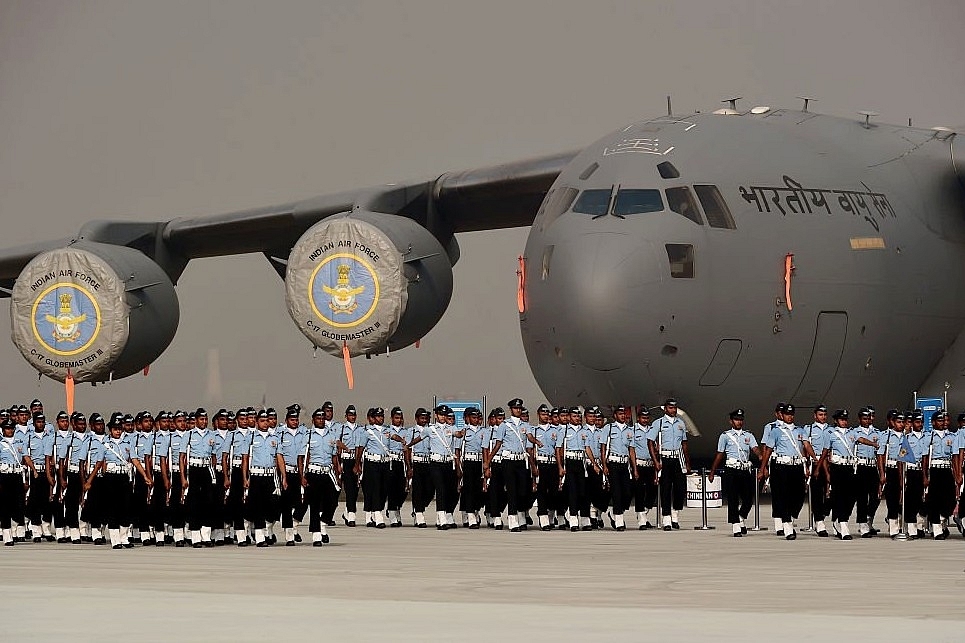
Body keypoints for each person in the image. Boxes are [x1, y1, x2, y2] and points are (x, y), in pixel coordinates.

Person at [91, 416, 151, 549]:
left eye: (119, 429)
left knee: (126, 507)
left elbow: (134, 460)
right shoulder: (106, 444)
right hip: (110, 478)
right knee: (112, 508)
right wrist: (90, 479)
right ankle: (115, 540)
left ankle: (124, 538)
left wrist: (145, 475)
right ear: (110, 430)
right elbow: (99, 463)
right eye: (115, 429)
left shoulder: (128, 442)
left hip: (124, 477)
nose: (117, 432)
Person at [760, 404, 809, 540]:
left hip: (796, 465)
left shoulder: (799, 430)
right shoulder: (773, 429)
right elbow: (767, 449)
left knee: (799, 495)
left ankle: (790, 516)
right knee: (782, 495)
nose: (789, 416)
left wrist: (811, 461)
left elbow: (805, 446)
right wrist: (763, 468)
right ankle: (786, 525)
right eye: (786, 414)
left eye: (791, 414)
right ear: (780, 414)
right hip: (779, 466)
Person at [708, 409, 760, 536]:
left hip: (744, 469)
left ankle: (741, 517)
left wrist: (760, 455)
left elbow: (755, 448)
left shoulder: (748, 435)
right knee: (733, 499)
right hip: (731, 469)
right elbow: (720, 454)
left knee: (748, 499)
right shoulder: (725, 436)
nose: (739, 422)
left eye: (741, 420)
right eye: (736, 420)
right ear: (731, 421)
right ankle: (736, 526)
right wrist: (712, 471)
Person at [243, 410, 287, 546]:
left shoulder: (274, 438)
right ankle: (260, 536)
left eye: (267, 420)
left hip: (271, 476)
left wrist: (284, 476)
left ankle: (267, 527)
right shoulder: (250, 438)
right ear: (256, 423)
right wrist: (245, 477)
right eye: (262, 421)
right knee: (258, 506)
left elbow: (279, 458)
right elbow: (245, 459)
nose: (265, 423)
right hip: (256, 476)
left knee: (274, 504)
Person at [300, 408, 342, 545]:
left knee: (333, 500)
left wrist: (337, 472)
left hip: (328, 472)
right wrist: (303, 476)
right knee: (315, 504)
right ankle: (316, 534)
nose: (321, 420)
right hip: (313, 472)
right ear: (313, 420)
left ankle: (323, 522)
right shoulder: (309, 435)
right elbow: (303, 457)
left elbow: (334, 456)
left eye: (323, 418)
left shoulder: (331, 435)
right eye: (318, 418)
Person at [489, 398, 530, 532]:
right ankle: (513, 519)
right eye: (515, 408)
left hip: (521, 461)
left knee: (523, 491)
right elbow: (498, 444)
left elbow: (529, 441)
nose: (518, 410)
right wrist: (488, 460)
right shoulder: (504, 425)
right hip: (508, 461)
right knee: (511, 490)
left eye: (519, 408)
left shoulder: (525, 425)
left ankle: (520, 513)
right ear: (511, 410)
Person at [649, 398, 690, 530]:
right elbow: (650, 441)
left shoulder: (681, 423)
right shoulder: (658, 423)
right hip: (664, 458)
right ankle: (666, 518)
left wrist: (687, 462)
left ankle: (675, 513)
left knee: (680, 488)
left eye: (674, 408)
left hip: (678, 458)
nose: (673, 410)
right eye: (670, 408)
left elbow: (684, 444)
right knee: (665, 489)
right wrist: (655, 461)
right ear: (665, 409)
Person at [180, 408, 217, 547]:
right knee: (194, 503)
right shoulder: (189, 435)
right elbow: (182, 457)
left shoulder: (211, 435)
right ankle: (195, 537)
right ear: (195, 420)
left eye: (206, 419)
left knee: (208, 502)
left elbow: (213, 456)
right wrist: (183, 477)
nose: (204, 421)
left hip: (207, 469)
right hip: (194, 469)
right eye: (201, 419)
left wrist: (212, 472)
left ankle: (206, 536)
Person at [556, 407, 598, 531]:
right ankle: (574, 518)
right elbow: (558, 449)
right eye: (574, 416)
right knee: (572, 491)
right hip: (569, 462)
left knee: (583, 492)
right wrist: (560, 467)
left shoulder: (583, 431)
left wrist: (594, 463)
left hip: (581, 462)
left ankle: (584, 518)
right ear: (569, 417)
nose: (577, 418)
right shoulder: (563, 431)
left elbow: (587, 448)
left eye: (578, 416)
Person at [355, 408, 395, 528]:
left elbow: (393, 437)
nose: (380, 418)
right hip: (372, 463)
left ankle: (376, 511)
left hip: (385, 463)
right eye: (378, 416)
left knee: (384, 489)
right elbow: (361, 449)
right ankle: (377, 516)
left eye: (382, 416)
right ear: (373, 418)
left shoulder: (387, 430)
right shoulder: (367, 432)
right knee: (375, 488)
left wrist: (402, 440)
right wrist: (357, 464)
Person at [821, 410, 857, 539]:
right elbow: (825, 452)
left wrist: (873, 444)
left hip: (849, 467)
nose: (844, 422)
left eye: (845, 419)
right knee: (840, 496)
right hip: (837, 468)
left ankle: (840, 519)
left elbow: (861, 439)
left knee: (851, 497)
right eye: (841, 419)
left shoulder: (852, 432)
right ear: (836, 420)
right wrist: (821, 469)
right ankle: (843, 524)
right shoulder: (830, 433)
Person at [601, 405, 634, 531]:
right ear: (615, 415)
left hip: (624, 464)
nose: (623, 416)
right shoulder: (608, 428)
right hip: (613, 463)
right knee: (616, 491)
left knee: (627, 492)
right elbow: (603, 447)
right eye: (620, 414)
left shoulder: (629, 430)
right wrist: (604, 465)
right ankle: (618, 519)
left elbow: (631, 450)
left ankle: (615, 511)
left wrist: (634, 468)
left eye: (624, 414)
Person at [24, 412, 55, 542]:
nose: (41, 424)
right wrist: (33, 470)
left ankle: (46, 530)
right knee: (35, 500)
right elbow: (26, 455)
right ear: (34, 423)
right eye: (38, 422)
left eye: (42, 422)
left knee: (48, 500)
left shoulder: (50, 436)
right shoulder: (29, 437)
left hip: (48, 470)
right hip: (35, 471)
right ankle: (36, 531)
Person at [528, 404, 560, 531]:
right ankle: (543, 517)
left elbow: (558, 450)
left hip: (552, 464)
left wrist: (560, 467)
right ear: (538, 415)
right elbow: (530, 451)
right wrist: (533, 467)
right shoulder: (534, 431)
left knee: (553, 492)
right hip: (540, 464)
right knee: (541, 491)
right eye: (543, 414)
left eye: (547, 414)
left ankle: (550, 514)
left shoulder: (555, 431)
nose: (545, 416)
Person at [925, 411, 956, 540]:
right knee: (934, 500)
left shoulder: (952, 436)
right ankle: (936, 529)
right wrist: (925, 476)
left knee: (950, 500)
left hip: (947, 469)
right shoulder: (929, 437)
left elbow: (955, 457)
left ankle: (942, 518)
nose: (943, 423)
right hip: (934, 470)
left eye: (944, 420)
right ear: (933, 422)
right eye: (939, 420)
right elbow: (925, 458)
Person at [278, 404, 306, 544]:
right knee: (286, 505)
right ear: (287, 420)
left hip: (300, 472)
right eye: (292, 419)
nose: (295, 422)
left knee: (303, 502)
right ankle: (289, 535)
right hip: (287, 472)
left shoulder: (304, 432)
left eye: (296, 419)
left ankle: (295, 525)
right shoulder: (280, 433)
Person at [853, 408, 882, 537]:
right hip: (861, 466)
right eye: (864, 419)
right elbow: (860, 440)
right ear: (859, 419)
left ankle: (869, 517)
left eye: (869, 418)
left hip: (873, 466)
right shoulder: (854, 431)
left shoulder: (877, 432)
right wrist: (873, 444)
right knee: (862, 497)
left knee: (876, 497)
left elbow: (881, 451)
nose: (867, 421)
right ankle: (862, 523)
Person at [878, 410, 907, 539]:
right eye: (898, 422)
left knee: (904, 498)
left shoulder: (907, 435)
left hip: (905, 469)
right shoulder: (887, 436)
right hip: (891, 469)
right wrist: (882, 474)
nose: (901, 425)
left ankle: (903, 525)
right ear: (893, 423)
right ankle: (893, 527)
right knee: (892, 499)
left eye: (903, 422)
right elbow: (880, 455)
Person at [804, 405, 831, 537]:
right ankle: (819, 522)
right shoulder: (808, 429)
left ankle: (824, 513)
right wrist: (808, 463)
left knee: (832, 493)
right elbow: (805, 446)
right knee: (816, 494)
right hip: (815, 463)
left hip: (830, 463)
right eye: (820, 414)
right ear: (815, 415)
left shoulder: (831, 429)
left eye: (825, 414)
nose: (823, 417)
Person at [0, 418, 28, 545]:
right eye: (7, 428)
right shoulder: (1, 443)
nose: (9, 430)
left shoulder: (19, 442)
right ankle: (7, 536)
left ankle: (14, 525)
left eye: (11, 428)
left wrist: (31, 473)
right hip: (5, 477)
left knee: (19, 506)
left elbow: (24, 459)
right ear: (3, 430)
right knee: (5, 506)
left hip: (17, 476)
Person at [630, 407, 658, 530]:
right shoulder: (633, 430)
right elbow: (631, 450)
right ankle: (641, 519)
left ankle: (644, 513)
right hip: (639, 464)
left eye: (647, 418)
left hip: (650, 464)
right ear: (639, 418)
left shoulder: (653, 430)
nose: (645, 420)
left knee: (653, 491)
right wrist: (634, 468)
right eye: (643, 418)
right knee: (639, 492)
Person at [460, 407, 486, 529]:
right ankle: (470, 515)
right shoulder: (464, 431)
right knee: (468, 489)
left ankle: (475, 510)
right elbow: (459, 449)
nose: (476, 420)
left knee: (478, 490)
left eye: (477, 417)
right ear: (467, 418)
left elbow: (486, 449)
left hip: (479, 462)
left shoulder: (483, 431)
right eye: (473, 417)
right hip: (468, 462)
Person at [385, 407, 412, 527]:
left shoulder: (405, 431)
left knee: (403, 489)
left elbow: (407, 450)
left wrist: (408, 466)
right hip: (391, 461)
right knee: (392, 488)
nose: (398, 420)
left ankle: (396, 508)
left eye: (400, 418)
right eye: (396, 417)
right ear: (391, 418)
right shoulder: (387, 431)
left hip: (401, 461)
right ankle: (392, 513)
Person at [408, 408, 433, 527]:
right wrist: (409, 466)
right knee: (417, 490)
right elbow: (407, 448)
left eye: (426, 418)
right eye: (422, 418)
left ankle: (420, 507)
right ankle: (418, 513)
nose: (424, 420)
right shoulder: (411, 431)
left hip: (429, 462)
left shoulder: (431, 430)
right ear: (416, 419)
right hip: (417, 462)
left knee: (429, 490)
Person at [337, 405, 361, 527]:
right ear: (346, 416)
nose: (352, 417)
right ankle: (351, 514)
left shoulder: (360, 429)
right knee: (349, 488)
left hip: (356, 460)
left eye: (354, 415)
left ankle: (347, 511)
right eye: (350, 415)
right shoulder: (341, 428)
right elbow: (336, 442)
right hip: (345, 460)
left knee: (356, 489)